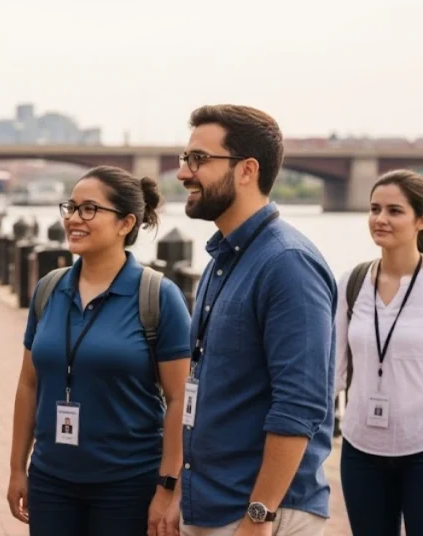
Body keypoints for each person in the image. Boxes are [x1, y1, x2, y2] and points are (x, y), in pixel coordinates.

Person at [170, 105, 337, 536]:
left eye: (199, 160)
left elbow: (300, 405)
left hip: (260, 515)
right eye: (185, 158)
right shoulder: (224, 258)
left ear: (246, 170)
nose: (183, 173)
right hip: (213, 504)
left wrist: (259, 516)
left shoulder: (287, 263)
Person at [6, 166, 192, 536]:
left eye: (89, 209)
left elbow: (179, 399)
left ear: (125, 223)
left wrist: (168, 487)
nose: (74, 219)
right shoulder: (49, 289)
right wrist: (17, 469)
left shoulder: (157, 295)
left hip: (127, 483)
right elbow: (29, 385)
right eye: (71, 208)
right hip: (51, 480)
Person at [335, 170, 423, 535]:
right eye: (374, 209)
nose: (380, 219)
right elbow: (332, 370)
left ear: (420, 220)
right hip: (360, 449)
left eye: (394, 211)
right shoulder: (352, 283)